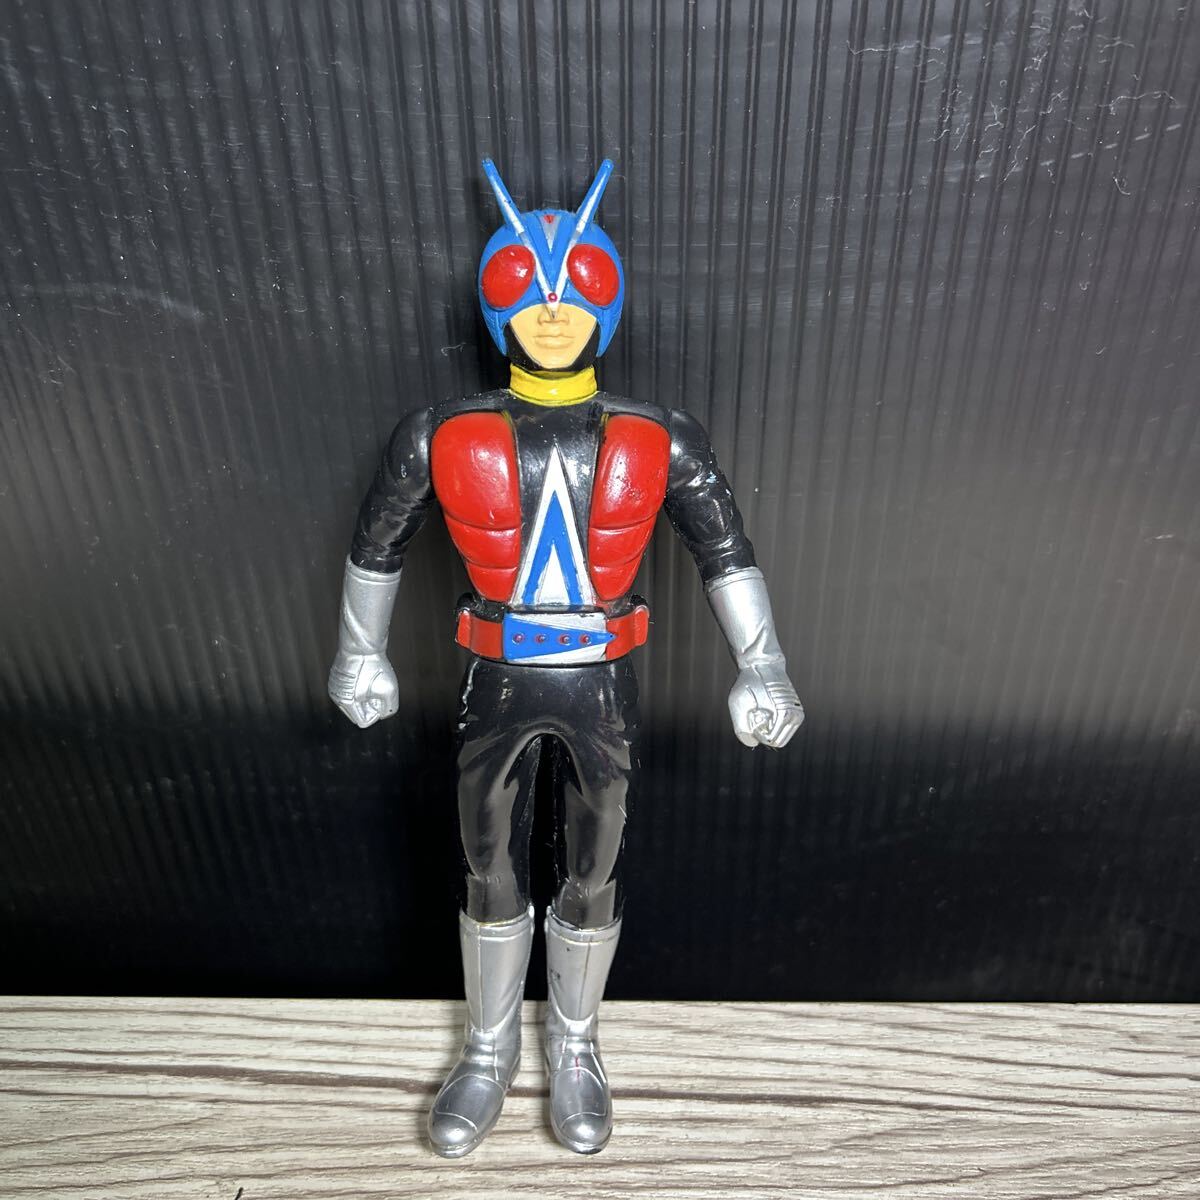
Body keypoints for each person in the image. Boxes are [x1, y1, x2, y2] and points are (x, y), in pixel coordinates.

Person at [328, 158, 804, 1157]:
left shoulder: (660, 438)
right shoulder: (438, 434)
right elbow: (378, 543)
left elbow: (724, 549)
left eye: (577, 284)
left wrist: (762, 662)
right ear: (495, 302)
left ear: (609, 299)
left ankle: (577, 1043)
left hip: (603, 689)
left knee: (596, 867)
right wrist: (358, 651)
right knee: (484, 861)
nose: (551, 309)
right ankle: (488, 1048)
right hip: (493, 681)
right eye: (524, 285)